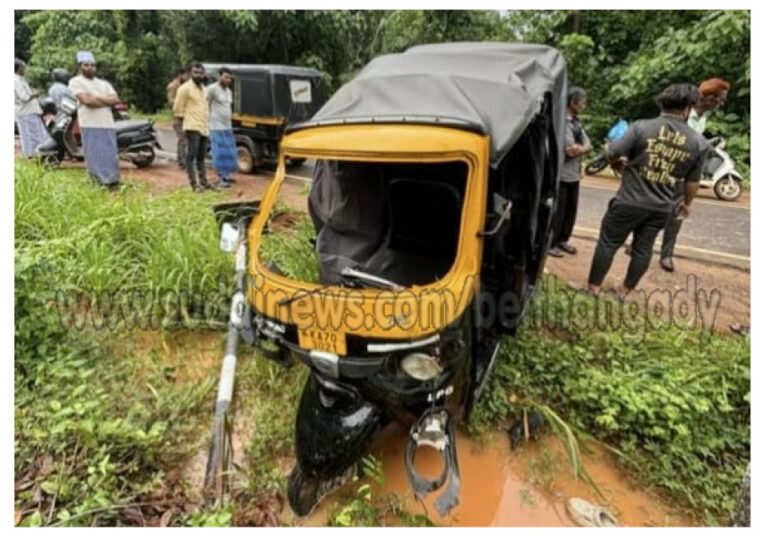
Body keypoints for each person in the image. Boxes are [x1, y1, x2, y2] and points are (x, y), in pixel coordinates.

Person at [587, 84, 709, 297]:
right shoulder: (699, 142)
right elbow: (692, 181)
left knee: (608, 242)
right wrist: (687, 204)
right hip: (661, 207)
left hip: (628, 201)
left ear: (663, 103)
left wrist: (617, 162)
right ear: (687, 109)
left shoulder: (641, 127)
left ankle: (593, 289)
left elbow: (612, 151)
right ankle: (624, 292)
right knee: (643, 249)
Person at [659, 78, 730, 272]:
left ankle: (666, 255)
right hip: (666, 168)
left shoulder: (702, 118)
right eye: (719, 99)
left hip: (685, 172)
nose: (720, 104)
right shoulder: (683, 112)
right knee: (657, 207)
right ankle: (639, 245)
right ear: (708, 97)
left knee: (677, 213)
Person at [68, 51, 121, 186]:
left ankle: (112, 181)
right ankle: (97, 182)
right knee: (94, 154)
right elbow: (87, 101)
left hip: (107, 123)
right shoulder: (75, 82)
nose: (91, 68)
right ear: (80, 66)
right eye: (87, 65)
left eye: (93, 65)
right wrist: (105, 101)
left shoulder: (103, 83)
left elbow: (115, 100)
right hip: (90, 123)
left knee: (110, 154)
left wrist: (95, 98)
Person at [550, 87, 591, 258]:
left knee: (570, 210)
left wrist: (581, 148)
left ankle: (563, 239)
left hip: (574, 174)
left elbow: (588, 144)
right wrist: (582, 148)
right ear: (572, 102)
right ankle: (550, 243)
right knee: (558, 211)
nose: (584, 105)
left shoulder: (576, 122)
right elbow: (569, 149)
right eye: (582, 102)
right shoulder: (561, 122)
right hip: (562, 174)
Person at [173, 62, 213, 192]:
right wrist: (182, 129)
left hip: (203, 127)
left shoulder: (204, 89)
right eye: (196, 72)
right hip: (191, 126)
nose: (199, 75)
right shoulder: (184, 89)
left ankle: (204, 183)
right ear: (191, 73)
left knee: (201, 157)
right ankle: (194, 185)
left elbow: (206, 108)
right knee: (191, 156)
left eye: (201, 73)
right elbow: (178, 109)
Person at [206, 67, 236, 188]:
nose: (227, 80)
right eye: (225, 77)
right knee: (219, 153)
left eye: (229, 78)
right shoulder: (212, 89)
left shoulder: (229, 91)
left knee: (229, 152)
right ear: (219, 77)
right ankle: (222, 178)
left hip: (227, 126)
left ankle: (227, 175)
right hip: (216, 126)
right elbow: (205, 104)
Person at [14, 59, 47, 158]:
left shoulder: (19, 79)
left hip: (29, 111)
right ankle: (30, 155)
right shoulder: (15, 80)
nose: (25, 70)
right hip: (25, 111)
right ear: (18, 68)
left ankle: (35, 154)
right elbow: (24, 97)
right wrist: (36, 94)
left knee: (35, 133)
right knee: (30, 135)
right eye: (23, 67)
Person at [166, 68, 188, 169]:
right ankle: (182, 162)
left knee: (184, 139)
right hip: (177, 117)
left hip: (185, 116)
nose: (186, 77)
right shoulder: (173, 86)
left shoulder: (183, 86)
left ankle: (183, 160)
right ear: (179, 75)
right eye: (185, 75)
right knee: (182, 139)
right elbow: (171, 102)